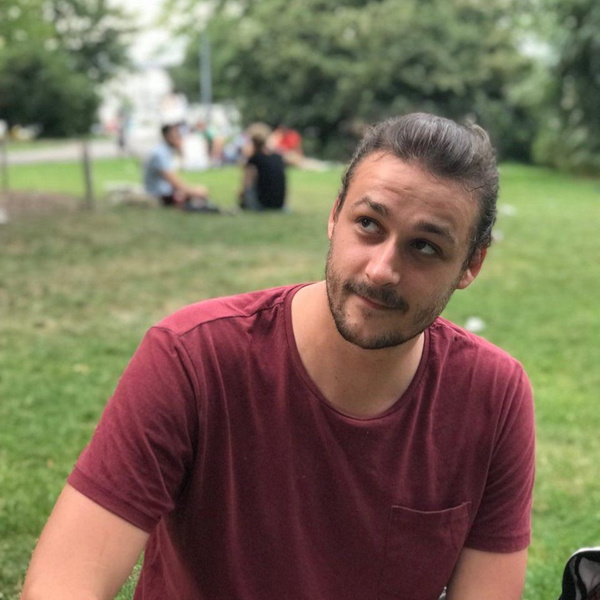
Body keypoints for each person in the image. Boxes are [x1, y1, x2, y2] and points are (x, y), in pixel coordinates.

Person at [21, 113, 535, 600]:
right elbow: (64, 581)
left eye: (424, 247)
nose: (381, 269)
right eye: (368, 224)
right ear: (335, 216)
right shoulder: (194, 359)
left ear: (471, 264)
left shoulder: (493, 396)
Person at [143, 123, 221, 213]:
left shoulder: (165, 151)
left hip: (165, 192)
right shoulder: (159, 153)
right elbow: (173, 181)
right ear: (167, 136)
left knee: (195, 194)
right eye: (176, 135)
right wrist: (193, 191)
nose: (179, 137)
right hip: (158, 195)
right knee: (198, 193)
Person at [239, 123, 287, 211]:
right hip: (279, 204)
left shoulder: (254, 160)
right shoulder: (278, 157)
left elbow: (247, 185)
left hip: (262, 204)